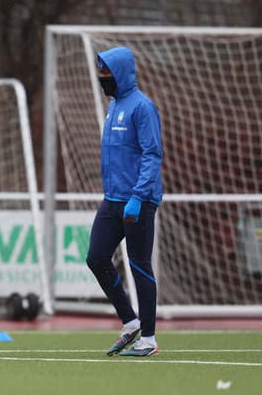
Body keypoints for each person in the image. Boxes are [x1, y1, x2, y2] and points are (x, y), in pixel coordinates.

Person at [86, 46, 163, 357]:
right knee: (96, 257)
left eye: (106, 74)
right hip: (112, 200)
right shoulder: (114, 106)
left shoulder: (142, 107)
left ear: (120, 75)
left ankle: (150, 339)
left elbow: (152, 154)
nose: (102, 79)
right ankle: (130, 322)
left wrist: (138, 197)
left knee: (139, 266)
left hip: (138, 202)